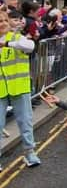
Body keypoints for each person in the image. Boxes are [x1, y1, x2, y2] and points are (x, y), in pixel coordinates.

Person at [0, 10, 40, 169]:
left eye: (4, 20)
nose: (2, 23)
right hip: (1, 90)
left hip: (20, 87)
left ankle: (30, 153)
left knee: (25, 122)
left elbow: (30, 46)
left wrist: (7, 44)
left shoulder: (17, 38)